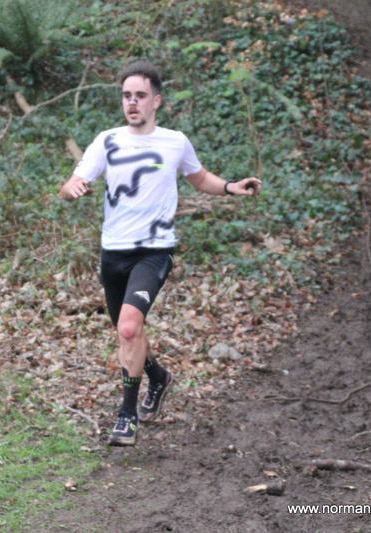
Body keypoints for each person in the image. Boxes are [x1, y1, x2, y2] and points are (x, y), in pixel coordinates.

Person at [59, 60, 262, 446]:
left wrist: (231, 186)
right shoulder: (107, 141)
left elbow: (199, 178)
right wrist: (72, 189)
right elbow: (71, 183)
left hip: (154, 251)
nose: (132, 102)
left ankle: (126, 416)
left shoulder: (175, 142)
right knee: (127, 331)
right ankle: (158, 377)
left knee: (128, 328)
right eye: (126, 96)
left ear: (156, 101)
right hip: (113, 253)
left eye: (140, 95)